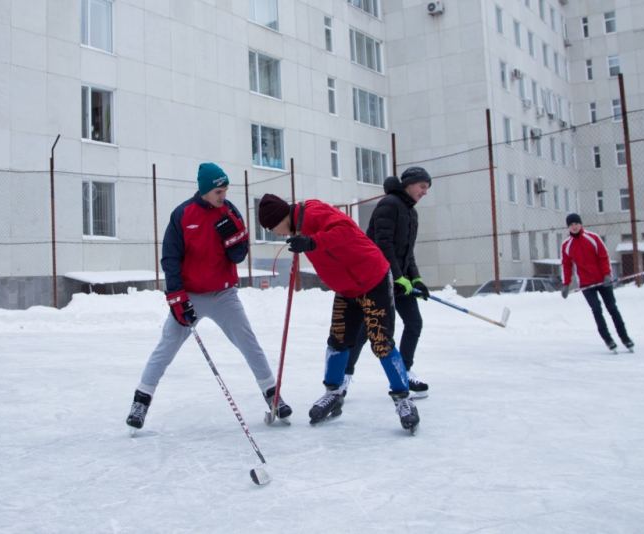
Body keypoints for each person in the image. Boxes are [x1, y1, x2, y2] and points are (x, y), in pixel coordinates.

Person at [126, 163, 291, 432]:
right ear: (204, 190)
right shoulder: (182, 214)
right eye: (218, 191)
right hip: (190, 295)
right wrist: (177, 296)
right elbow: (170, 258)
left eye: (225, 190)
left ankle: (273, 395)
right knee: (165, 348)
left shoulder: (228, 211)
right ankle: (141, 401)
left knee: (249, 343)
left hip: (223, 294)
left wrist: (235, 241)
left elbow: (238, 257)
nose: (223, 196)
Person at [257, 193, 420, 432]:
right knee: (338, 340)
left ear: (283, 216)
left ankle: (403, 399)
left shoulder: (313, 213)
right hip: (347, 289)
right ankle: (333, 394)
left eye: (273, 227)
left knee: (380, 341)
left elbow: (346, 230)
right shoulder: (296, 229)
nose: (276, 233)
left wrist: (312, 242)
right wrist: (306, 242)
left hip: (372, 279)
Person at [343, 167, 432, 399]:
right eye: (422, 186)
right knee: (365, 331)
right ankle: (343, 378)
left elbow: (407, 253)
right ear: (410, 184)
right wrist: (396, 276)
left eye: (427, 188)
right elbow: (382, 244)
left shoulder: (412, 213)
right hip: (378, 278)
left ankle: (404, 372)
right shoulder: (389, 204)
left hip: (399, 280)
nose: (425, 192)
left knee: (414, 323)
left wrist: (416, 279)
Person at [560, 213, 634, 352]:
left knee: (612, 308)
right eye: (571, 225)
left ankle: (625, 338)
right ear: (568, 227)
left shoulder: (593, 238)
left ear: (580, 224)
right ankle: (608, 339)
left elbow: (603, 257)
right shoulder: (566, 245)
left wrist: (607, 275)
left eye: (576, 224)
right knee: (596, 310)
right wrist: (566, 284)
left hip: (602, 281)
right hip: (586, 284)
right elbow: (566, 265)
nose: (574, 227)